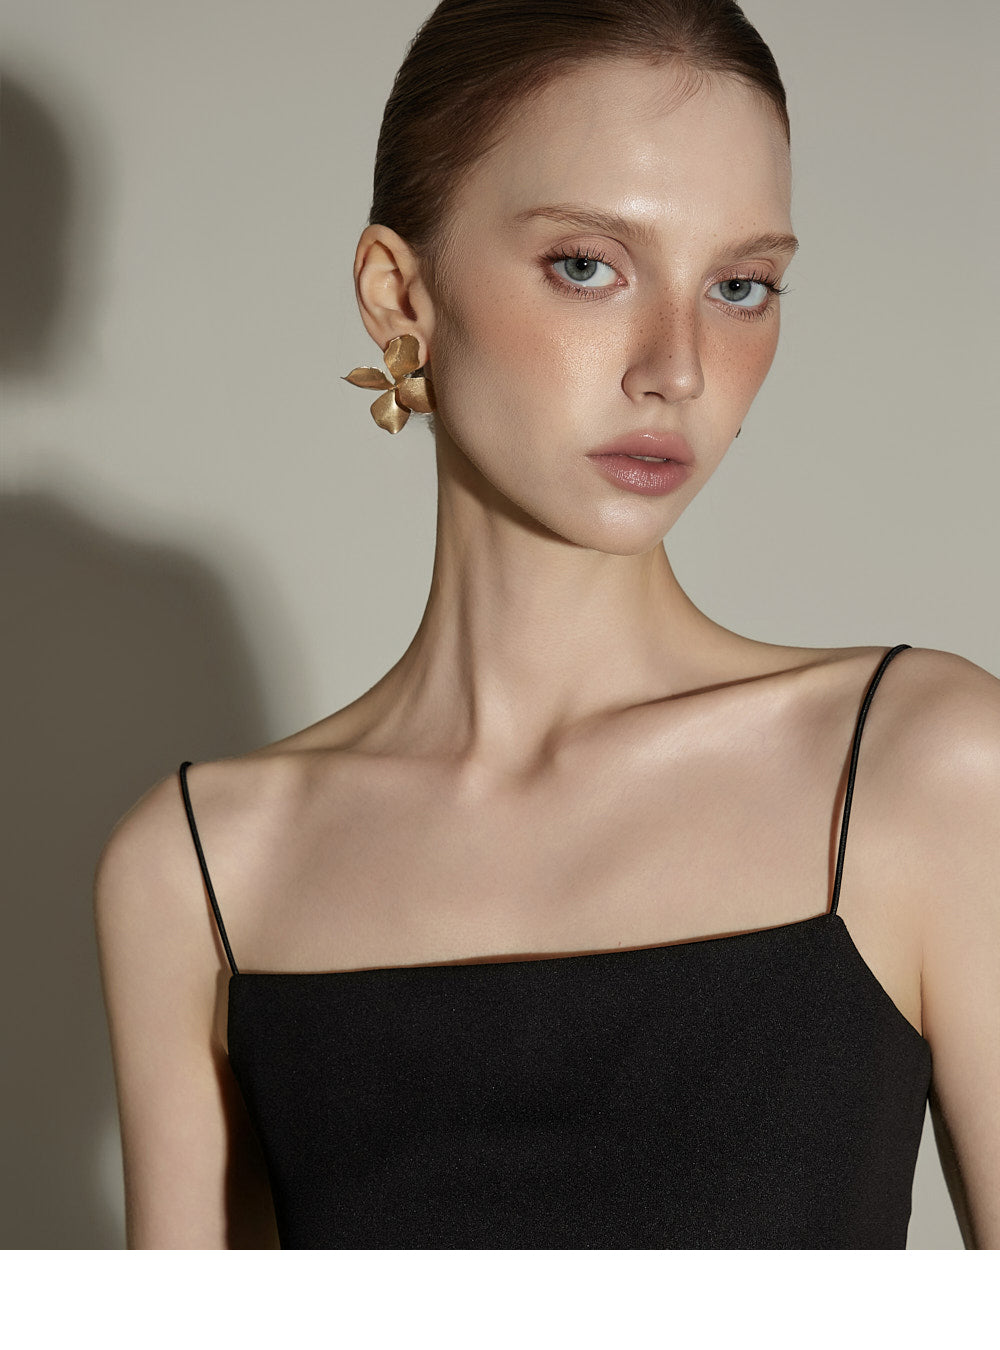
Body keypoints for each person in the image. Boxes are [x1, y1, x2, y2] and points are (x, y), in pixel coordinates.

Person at [93, 0, 999, 1249]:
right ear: (399, 294)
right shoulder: (203, 869)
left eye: (739, 286)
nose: (676, 367)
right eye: (588, 265)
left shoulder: (925, 773)